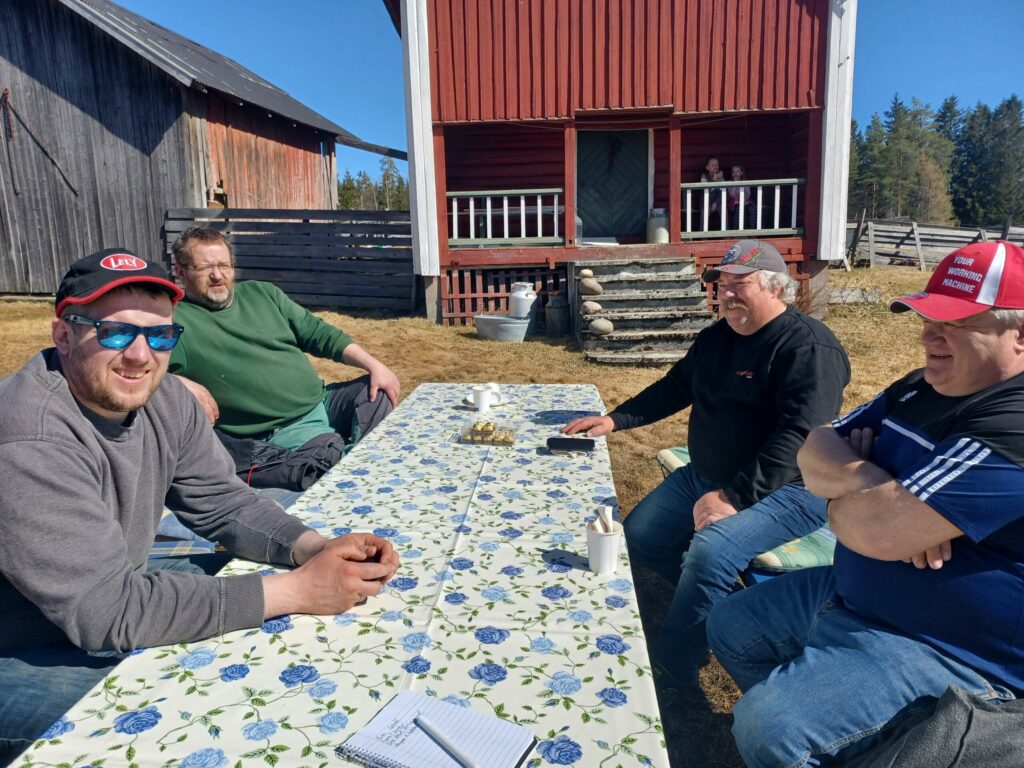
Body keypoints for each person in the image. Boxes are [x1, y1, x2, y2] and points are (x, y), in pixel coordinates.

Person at [0, 249, 400, 763]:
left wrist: (315, 548)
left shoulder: (163, 398)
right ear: (63, 335)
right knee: (189, 717)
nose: (140, 355)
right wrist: (299, 589)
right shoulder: (29, 437)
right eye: (115, 332)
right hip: (21, 645)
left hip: (102, 593)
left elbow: (221, 501)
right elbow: (108, 612)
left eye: (160, 335)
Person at [707, 240, 1024, 768]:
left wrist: (856, 503)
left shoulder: (1013, 420)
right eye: (926, 316)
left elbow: (877, 530)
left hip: (949, 644)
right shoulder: (918, 387)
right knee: (731, 627)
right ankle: (853, 745)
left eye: (957, 323)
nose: (929, 335)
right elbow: (815, 447)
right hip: (857, 593)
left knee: (771, 726)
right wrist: (876, 487)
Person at [563, 239, 850, 691]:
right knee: (638, 537)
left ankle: (673, 669)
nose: (727, 294)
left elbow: (800, 437)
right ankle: (727, 605)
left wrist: (732, 497)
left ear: (777, 289)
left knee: (712, 552)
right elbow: (675, 387)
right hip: (707, 474)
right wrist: (616, 419)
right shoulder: (717, 337)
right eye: (721, 284)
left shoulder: (809, 348)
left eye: (741, 284)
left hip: (790, 489)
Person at [169, 227, 399, 452]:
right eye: (205, 267)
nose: (217, 275)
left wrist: (374, 365)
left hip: (323, 401)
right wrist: (180, 383)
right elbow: (144, 373)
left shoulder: (262, 293)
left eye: (223, 265)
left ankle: (362, 460)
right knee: (329, 456)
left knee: (378, 393)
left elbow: (318, 333)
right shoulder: (175, 319)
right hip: (281, 431)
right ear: (181, 272)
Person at [700, 156, 726, 227]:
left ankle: (726, 236)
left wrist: (715, 203)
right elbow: (705, 189)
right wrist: (713, 180)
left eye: (717, 165)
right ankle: (703, 236)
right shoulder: (704, 176)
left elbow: (723, 192)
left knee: (724, 211)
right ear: (707, 167)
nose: (715, 167)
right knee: (704, 213)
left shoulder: (721, 177)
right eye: (713, 165)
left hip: (717, 202)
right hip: (706, 201)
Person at [726, 164, 754, 230]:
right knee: (737, 210)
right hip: (734, 202)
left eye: (737, 171)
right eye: (733, 172)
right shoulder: (730, 183)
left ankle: (752, 230)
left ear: (741, 173)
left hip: (744, 201)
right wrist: (735, 183)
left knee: (752, 209)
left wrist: (744, 199)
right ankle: (735, 230)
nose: (735, 173)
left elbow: (748, 194)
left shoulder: (745, 182)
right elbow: (732, 194)